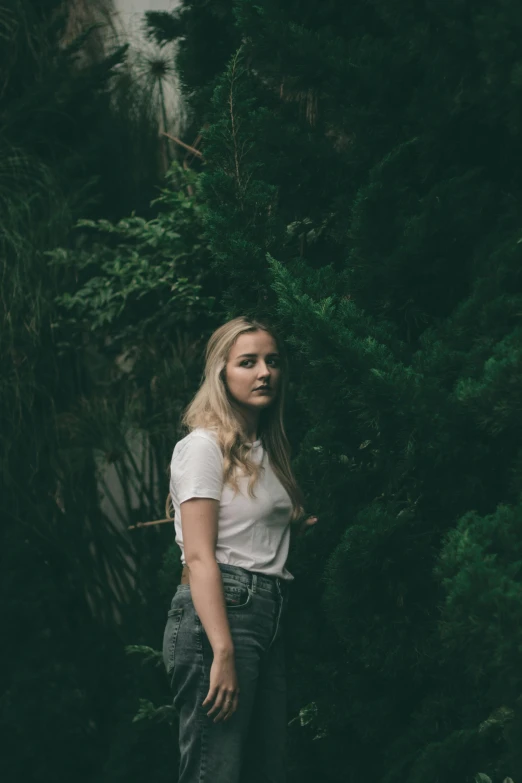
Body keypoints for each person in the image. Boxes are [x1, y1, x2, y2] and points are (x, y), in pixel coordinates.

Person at [162, 315, 318, 783]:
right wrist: (222, 651)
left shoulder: (265, 450)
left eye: (272, 361)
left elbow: (248, 532)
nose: (264, 372)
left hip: (267, 612)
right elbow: (200, 555)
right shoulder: (203, 447)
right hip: (222, 613)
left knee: (263, 770)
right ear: (222, 374)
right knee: (216, 771)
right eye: (247, 362)